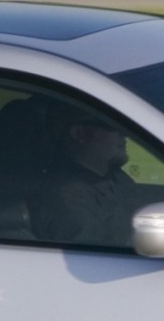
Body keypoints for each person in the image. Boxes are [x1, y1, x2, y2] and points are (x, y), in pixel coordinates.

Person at [30, 106, 149, 248]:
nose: (124, 134)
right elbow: (99, 261)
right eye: (112, 126)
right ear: (80, 134)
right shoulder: (66, 197)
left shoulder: (116, 178)